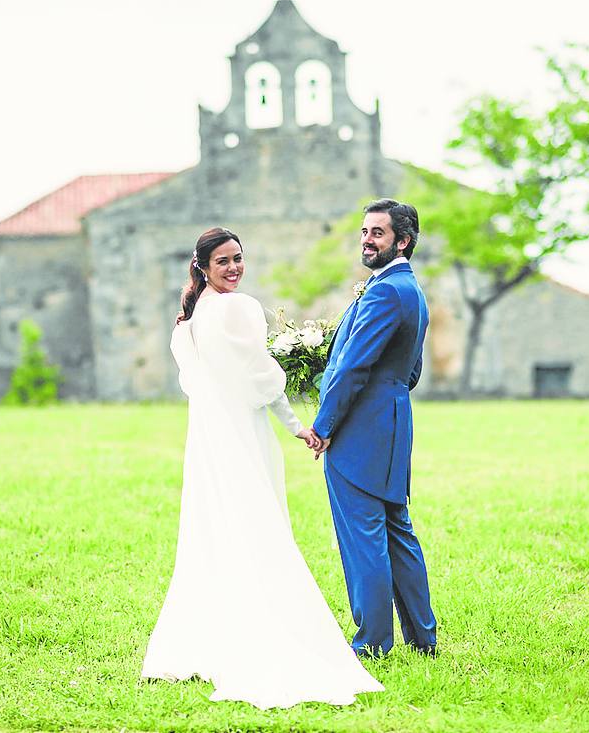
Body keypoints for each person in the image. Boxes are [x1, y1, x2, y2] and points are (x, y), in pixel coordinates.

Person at [141, 227, 384, 709]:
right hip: (242, 436)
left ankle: (212, 637)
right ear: (203, 268)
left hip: (210, 439)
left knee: (216, 529)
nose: (234, 268)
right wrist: (297, 425)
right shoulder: (239, 308)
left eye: (238, 258)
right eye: (223, 262)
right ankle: (268, 632)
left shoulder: (191, 319)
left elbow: (207, 381)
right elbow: (262, 378)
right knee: (258, 526)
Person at [308, 199, 439, 658]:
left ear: (402, 241)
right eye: (364, 231)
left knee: (363, 537)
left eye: (377, 233)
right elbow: (412, 367)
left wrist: (324, 424)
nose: (367, 239)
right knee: (396, 533)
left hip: (361, 429)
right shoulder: (409, 289)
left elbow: (352, 366)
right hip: (392, 422)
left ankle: (372, 644)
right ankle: (424, 638)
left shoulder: (385, 291)